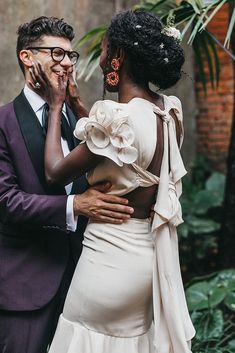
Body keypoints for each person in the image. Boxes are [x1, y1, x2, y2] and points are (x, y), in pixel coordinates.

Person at [31, 10, 196, 353]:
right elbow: (116, 148)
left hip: (107, 261)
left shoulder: (118, 118)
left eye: (105, 50)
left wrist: (57, 103)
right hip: (145, 264)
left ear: (118, 56)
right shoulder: (167, 112)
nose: (102, 58)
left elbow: (55, 171)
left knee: (82, 340)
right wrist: (78, 104)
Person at [0, 16, 134, 353]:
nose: (66, 64)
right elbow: (6, 201)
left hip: (82, 282)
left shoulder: (74, 118)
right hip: (25, 287)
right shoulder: (3, 122)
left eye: (70, 56)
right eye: (55, 54)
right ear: (27, 57)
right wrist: (75, 205)